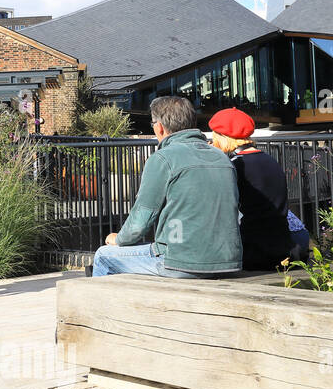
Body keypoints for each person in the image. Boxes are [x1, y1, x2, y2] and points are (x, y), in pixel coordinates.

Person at [91, 96, 241, 277]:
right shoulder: (221, 157)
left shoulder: (163, 158)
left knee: (103, 255)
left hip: (181, 263)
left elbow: (140, 223)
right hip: (229, 262)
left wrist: (119, 239)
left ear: (159, 127)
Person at [208, 107, 299, 269]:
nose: (213, 143)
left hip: (252, 251)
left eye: (215, 138)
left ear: (223, 138)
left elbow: (221, 210)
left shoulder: (234, 167)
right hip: (282, 246)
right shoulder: (271, 161)